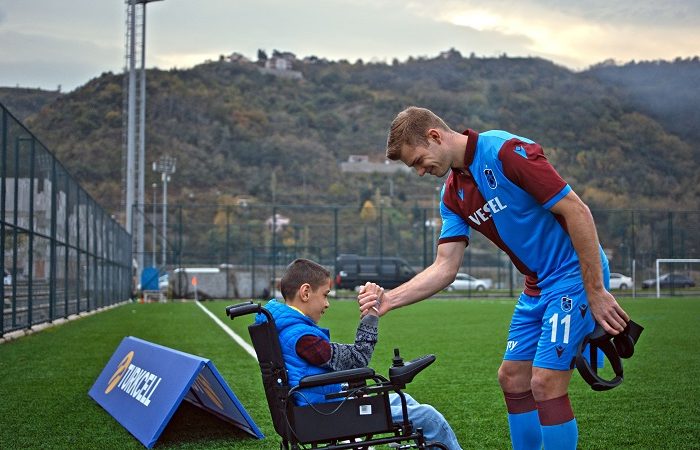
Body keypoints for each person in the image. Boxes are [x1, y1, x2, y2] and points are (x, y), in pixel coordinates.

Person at [358, 107, 630, 450]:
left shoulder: (504, 151)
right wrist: (390, 299)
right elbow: (445, 267)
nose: (418, 172)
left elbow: (576, 210)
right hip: (537, 287)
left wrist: (596, 290)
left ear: (434, 136)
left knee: (545, 382)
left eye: (417, 161)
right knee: (513, 378)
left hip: (573, 275)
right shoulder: (451, 195)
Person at [256, 258, 462, 450]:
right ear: (306, 292)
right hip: (326, 413)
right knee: (429, 417)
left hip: (319, 407)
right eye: (325, 295)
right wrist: (372, 314)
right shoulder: (302, 337)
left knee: (405, 399)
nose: (327, 304)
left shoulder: (285, 328)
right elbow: (357, 360)